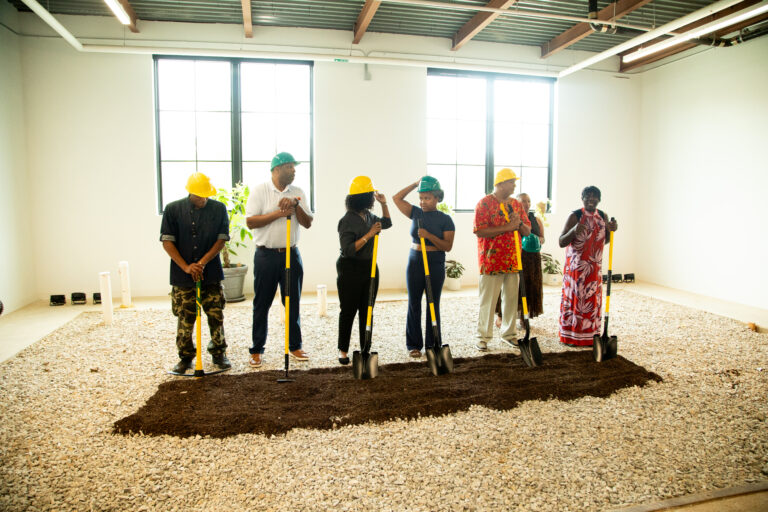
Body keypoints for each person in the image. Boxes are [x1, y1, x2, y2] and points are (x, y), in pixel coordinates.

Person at [245, 152, 313, 368]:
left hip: (291, 254)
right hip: (266, 256)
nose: (294, 171)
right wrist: (279, 213)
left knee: (292, 302)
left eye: (294, 167)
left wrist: (295, 205)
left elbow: (307, 222)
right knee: (261, 303)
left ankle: (295, 345)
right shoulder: (260, 191)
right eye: (289, 167)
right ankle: (256, 350)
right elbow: (251, 222)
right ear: (276, 169)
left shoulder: (299, 192)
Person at [160, 172, 231, 373]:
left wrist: (201, 263)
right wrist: (186, 267)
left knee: (215, 314)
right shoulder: (173, 210)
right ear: (191, 193)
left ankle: (219, 352)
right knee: (185, 316)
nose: (203, 200)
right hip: (182, 275)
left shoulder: (218, 209)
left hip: (210, 273)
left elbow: (221, 239)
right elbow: (167, 242)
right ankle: (185, 357)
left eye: (206, 196)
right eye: (200, 196)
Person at [392, 176, 455, 358]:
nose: (423, 201)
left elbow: (447, 246)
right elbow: (397, 198)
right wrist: (415, 184)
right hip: (415, 261)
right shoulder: (416, 213)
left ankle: (433, 343)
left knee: (432, 303)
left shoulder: (446, 220)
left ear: (437, 198)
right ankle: (413, 345)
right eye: (421, 197)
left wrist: (428, 235)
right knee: (414, 303)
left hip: (435, 261)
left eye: (427, 197)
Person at [473, 168, 531, 351]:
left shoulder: (516, 204)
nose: (514, 185)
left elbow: (527, 231)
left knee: (511, 300)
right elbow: (479, 230)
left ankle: (509, 334)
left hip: (514, 260)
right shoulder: (484, 204)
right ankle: (483, 337)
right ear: (500, 184)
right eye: (511, 182)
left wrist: (519, 223)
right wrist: (508, 227)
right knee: (488, 301)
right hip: (491, 261)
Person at [336, 176, 392, 365]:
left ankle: (365, 348)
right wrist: (369, 235)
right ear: (362, 197)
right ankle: (343, 351)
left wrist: (384, 204)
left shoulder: (369, 216)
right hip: (350, 269)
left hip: (370, 269)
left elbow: (387, 223)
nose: (372, 198)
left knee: (367, 310)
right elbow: (348, 249)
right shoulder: (347, 221)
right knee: (348, 310)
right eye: (370, 194)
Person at [558, 186, 618, 346]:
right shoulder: (575, 215)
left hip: (594, 268)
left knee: (592, 301)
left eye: (595, 197)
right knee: (576, 301)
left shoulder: (602, 216)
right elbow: (561, 241)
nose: (591, 199)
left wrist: (611, 231)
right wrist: (574, 230)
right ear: (582, 198)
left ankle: (590, 336)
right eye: (588, 196)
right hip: (576, 269)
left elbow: (602, 240)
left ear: (599, 199)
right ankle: (571, 336)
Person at [494, 192, 545, 328]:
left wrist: (540, 240)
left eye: (528, 201)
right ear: (516, 203)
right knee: (509, 287)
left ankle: (524, 316)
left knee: (529, 287)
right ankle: (501, 314)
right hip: (514, 256)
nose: (526, 204)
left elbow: (542, 237)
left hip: (532, 259)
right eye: (523, 201)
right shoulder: (509, 218)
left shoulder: (536, 220)